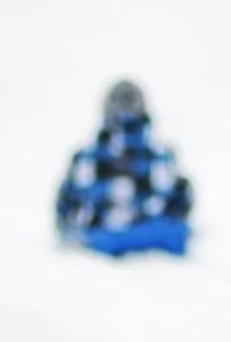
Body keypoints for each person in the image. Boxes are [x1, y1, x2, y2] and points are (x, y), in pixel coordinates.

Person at [55, 80, 194, 252]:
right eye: (121, 105)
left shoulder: (158, 156)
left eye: (130, 104)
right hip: (102, 238)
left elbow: (177, 197)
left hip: (153, 238)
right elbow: (70, 202)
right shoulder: (89, 158)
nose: (126, 113)